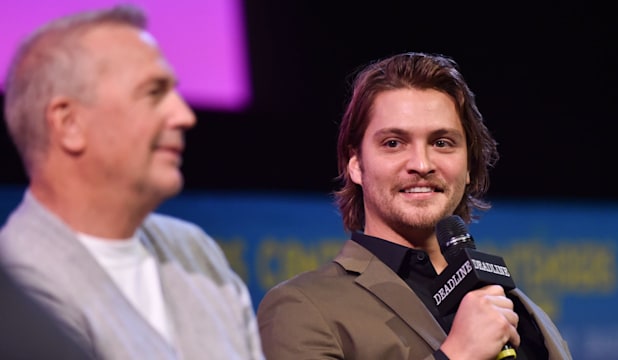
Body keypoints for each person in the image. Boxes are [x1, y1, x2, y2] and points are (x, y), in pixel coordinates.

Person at [257, 52, 572, 359]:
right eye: (393, 143)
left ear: (469, 168)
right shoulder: (302, 307)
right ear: (356, 164)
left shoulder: (526, 314)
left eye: (441, 143)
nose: (421, 163)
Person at [0, 5, 264, 360]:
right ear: (69, 124)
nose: (184, 116)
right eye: (153, 93)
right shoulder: (17, 287)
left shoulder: (196, 254)